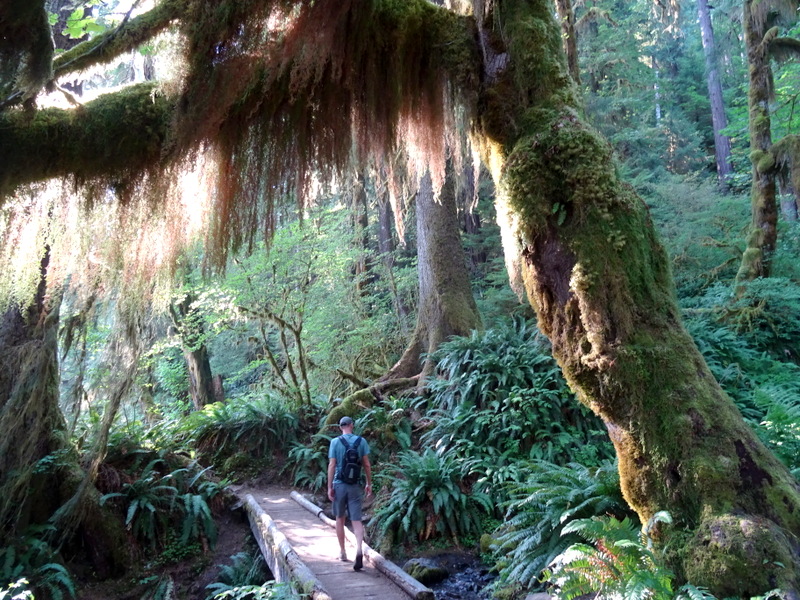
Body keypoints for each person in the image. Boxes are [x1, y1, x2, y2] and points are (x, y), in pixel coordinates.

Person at [327, 415, 372, 571]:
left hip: (339, 485)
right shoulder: (361, 442)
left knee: (340, 519)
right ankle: (359, 550)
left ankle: (343, 552)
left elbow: (332, 465)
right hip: (354, 486)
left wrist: (329, 487)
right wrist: (368, 483)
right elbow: (366, 464)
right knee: (357, 520)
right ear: (352, 425)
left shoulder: (335, 442)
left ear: (341, 427)